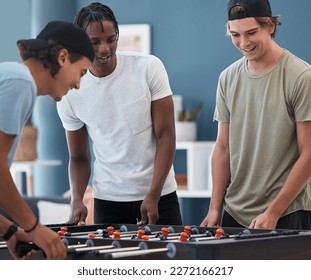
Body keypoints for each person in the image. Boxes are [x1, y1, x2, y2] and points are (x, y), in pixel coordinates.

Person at [57, 2, 183, 226]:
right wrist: (77, 199)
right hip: (108, 201)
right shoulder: (71, 90)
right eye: (94, 42)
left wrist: (153, 194)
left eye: (111, 39)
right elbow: (78, 157)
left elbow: (166, 137)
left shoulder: (148, 68)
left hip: (159, 196)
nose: (105, 48)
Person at [200, 0, 311, 230]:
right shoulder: (228, 78)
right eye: (235, 35)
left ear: (269, 26)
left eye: (251, 33)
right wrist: (214, 209)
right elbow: (223, 148)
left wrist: (274, 211)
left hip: (287, 211)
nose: (244, 43)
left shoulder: (301, 77)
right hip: (235, 212)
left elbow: (308, 154)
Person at [0, 20, 95, 259]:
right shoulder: (20, 82)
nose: (77, 84)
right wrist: (34, 228)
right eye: (81, 73)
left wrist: (10, 230)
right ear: (62, 57)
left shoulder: (14, 79)